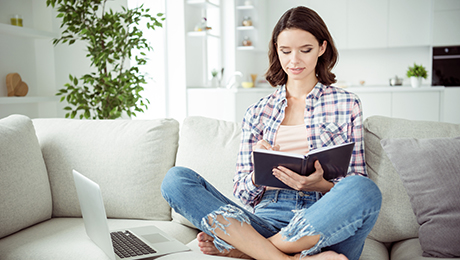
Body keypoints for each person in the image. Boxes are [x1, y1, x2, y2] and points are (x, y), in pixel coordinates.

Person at [161, 6, 382, 260]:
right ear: (276, 50)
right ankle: (285, 256)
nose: (294, 61)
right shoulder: (258, 112)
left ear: (322, 48)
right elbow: (242, 193)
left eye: (305, 50)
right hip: (268, 215)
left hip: (326, 220)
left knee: (365, 189)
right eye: (285, 51)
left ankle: (253, 249)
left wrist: (321, 184)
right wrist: (258, 172)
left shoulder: (347, 104)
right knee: (175, 180)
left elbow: (355, 182)